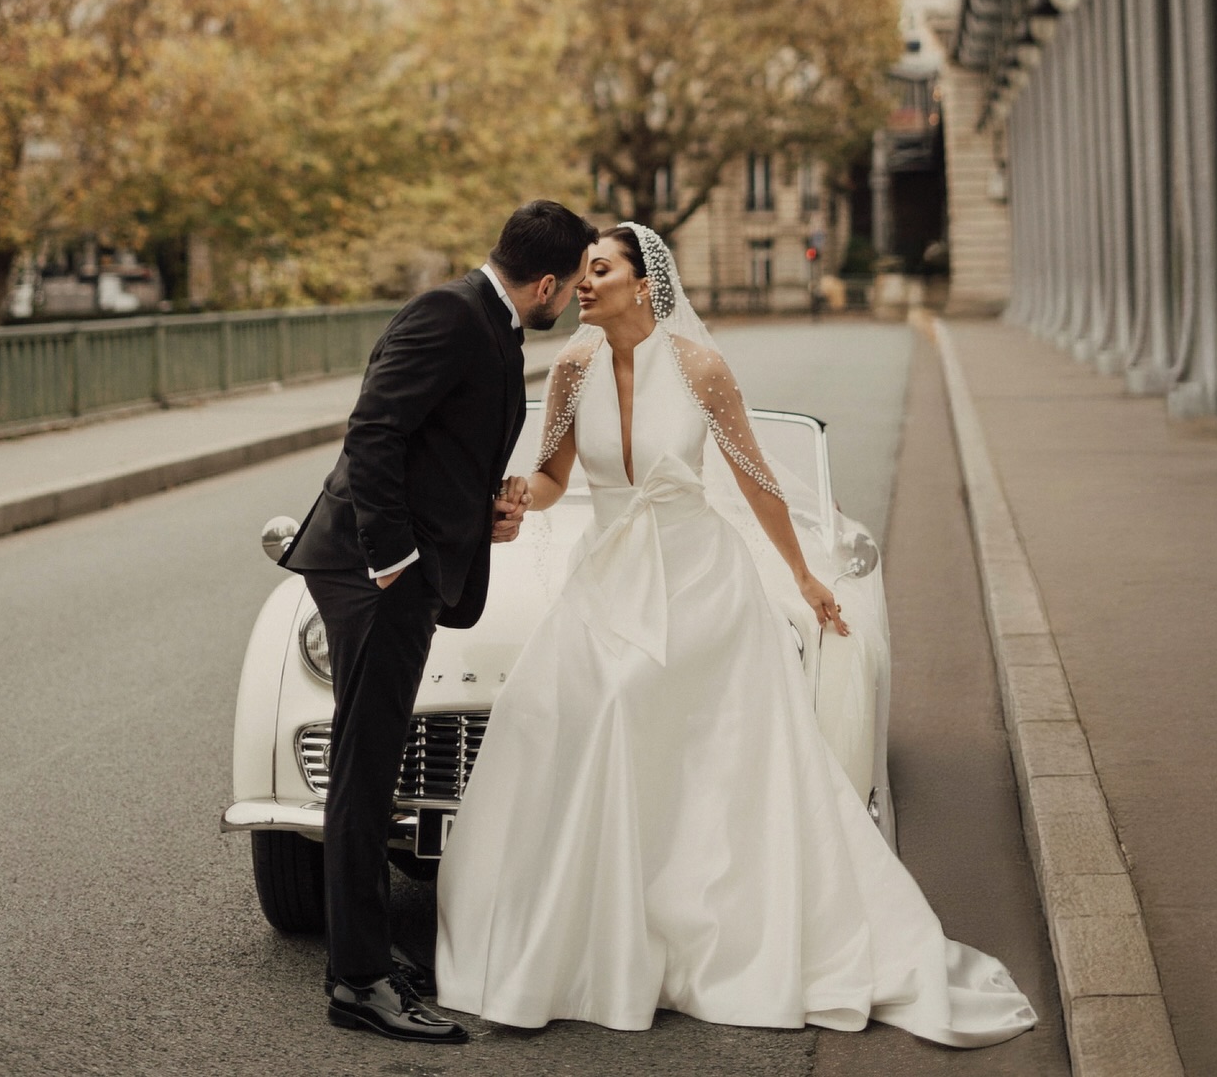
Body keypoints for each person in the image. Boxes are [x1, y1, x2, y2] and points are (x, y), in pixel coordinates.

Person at [435, 223, 1038, 1046]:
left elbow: (756, 480)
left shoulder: (700, 368)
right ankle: (593, 934)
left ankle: (680, 930)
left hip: (696, 580)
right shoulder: (572, 366)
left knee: (642, 717)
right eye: (582, 271)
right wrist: (514, 501)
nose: (584, 282)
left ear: (643, 285)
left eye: (599, 269)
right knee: (558, 716)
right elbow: (551, 478)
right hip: (607, 576)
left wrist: (803, 576)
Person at [279, 199, 598, 1045]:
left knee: (370, 762)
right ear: (544, 281)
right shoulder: (448, 316)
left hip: (404, 568)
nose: (565, 305)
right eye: (566, 291)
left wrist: (479, 512)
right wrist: (394, 561)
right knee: (365, 768)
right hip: (372, 571)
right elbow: (375, 430)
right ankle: (358, 983)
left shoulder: (484, 321)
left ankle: (366, 949)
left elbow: (437, 446)